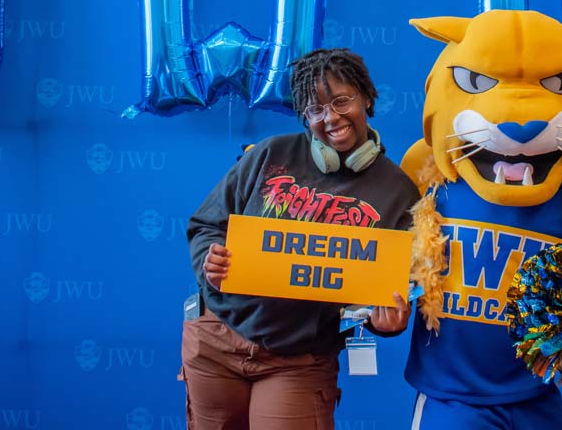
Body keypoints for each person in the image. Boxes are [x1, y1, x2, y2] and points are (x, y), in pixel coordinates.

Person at [180, 48, 420, 430]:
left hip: (299, 358)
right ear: (304, 117)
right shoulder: (269, 154)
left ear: (367, 98)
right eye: (315, 109)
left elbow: (391, 288)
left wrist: (384, 323)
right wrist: (209, 260)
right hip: (217, 340)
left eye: (342, 101)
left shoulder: (400, 194)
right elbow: (206, 225)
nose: (332, 117)